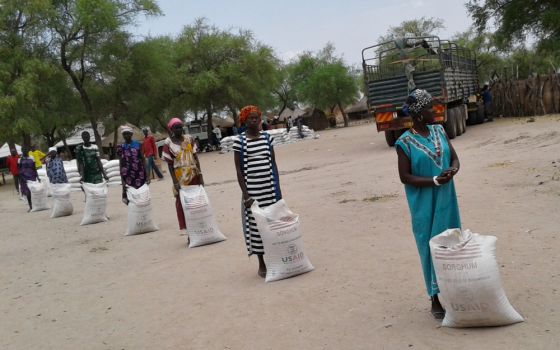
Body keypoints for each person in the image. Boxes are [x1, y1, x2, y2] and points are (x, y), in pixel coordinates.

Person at [395, 89, 461, 320]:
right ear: (419, 114)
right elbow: (405, 177)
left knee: (451, 242)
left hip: (446, 199)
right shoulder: (404, 142)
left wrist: (453, 169)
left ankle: (455, 291)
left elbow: (454, 157)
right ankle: (434, 297)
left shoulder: (439, 130)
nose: (434, 111)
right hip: (423, 203)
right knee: (429, 247)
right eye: (430, 108)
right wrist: (433, 180)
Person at [233, 105, 283, 278]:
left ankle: (275, 258)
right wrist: (246, 195)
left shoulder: (267, 138)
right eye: (250, 118)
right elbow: (239, 170)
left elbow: (273, 163)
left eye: (256, 118)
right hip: (253, 192)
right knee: (256, 227)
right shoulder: (239, 141)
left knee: (272, 223)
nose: (254, 121)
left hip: (269, 188)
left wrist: (278, 188)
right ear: (244, 121)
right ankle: (261, 263)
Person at [162, 118, 204, 230]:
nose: (179, 129)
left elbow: (195, 157)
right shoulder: (168, 143)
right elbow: (170, 165)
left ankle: (200, 226)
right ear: (171, 129)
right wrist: (175, 181)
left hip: (193, 174)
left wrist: (200, 175)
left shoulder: (189, 139)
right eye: (176, 127)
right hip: (180, 177)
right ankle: (188, 229)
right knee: (182, 202)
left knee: (196, 200)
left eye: (180, 127)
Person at [118, 125, 149, 205]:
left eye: (128, 134)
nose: (126, 136)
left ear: (131, 134)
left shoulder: (138, 145)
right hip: (127, 175)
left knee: (142, 196)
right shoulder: (120, 147)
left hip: (139, 174)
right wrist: (122, 181)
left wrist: (147, 175)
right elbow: (121, 164)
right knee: (131, 199)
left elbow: (143, 159)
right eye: (124, 134)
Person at [17, 146, 39, 211]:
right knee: (27, 192)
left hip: (32, 176)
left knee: (34, 191)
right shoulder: (19, 159)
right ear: (22, 151)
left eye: (27, 151)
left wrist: (38, 176)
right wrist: (20, 178)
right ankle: (31, 206)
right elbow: (18, 169)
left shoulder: (31, 158)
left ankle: (36, 205)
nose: (26, 152)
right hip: (24, 178)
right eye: (24, 151)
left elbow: (34, 168)